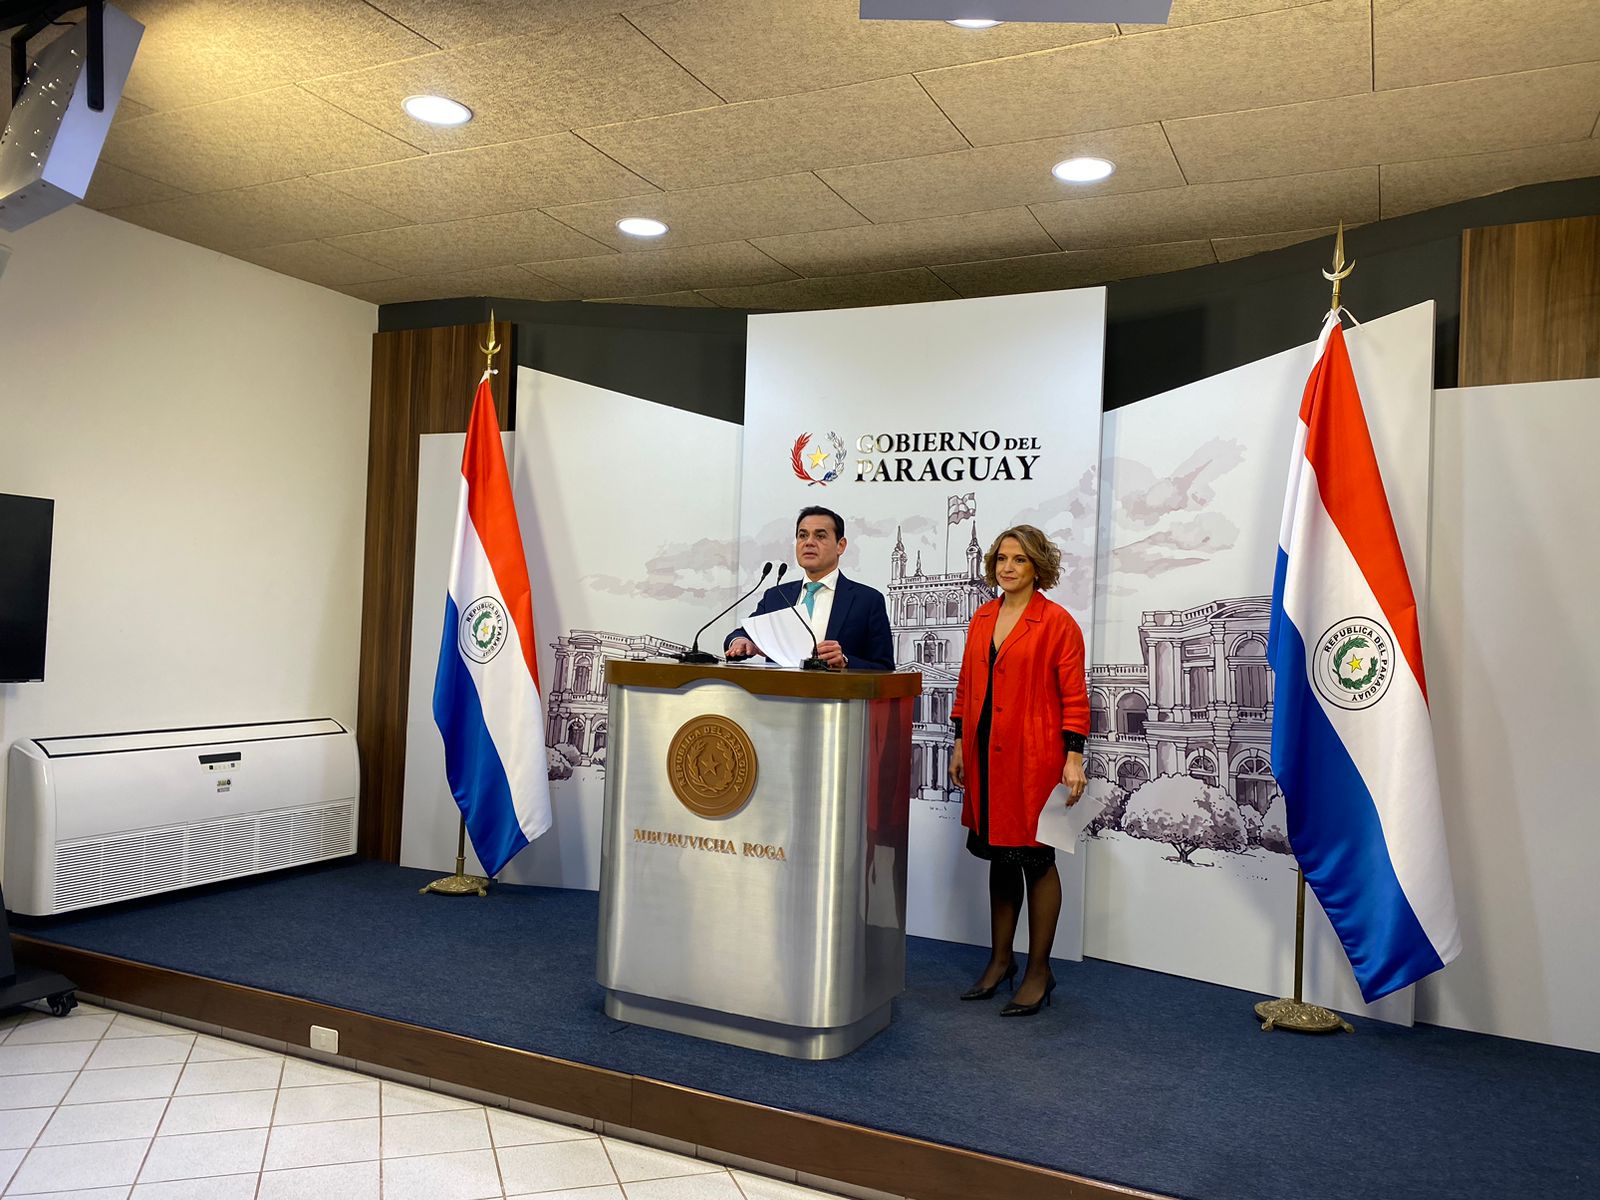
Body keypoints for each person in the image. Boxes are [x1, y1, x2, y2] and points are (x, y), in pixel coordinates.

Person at [949, 524, 1089, 1017]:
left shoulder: (1057, 622)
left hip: (1035, 755)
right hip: (985, 752)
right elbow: (967, 684)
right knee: (999, 855)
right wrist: (961, 743)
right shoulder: (981, 617)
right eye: (1002, 559)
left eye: (1019, 560)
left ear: (1038, 567)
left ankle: (1038, 970)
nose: (1007, 568)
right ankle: (1000, 961)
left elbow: (1074, 694)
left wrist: (1073, 756)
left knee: (1036, 859)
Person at [725, 506, 894, 671]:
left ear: (840, 546)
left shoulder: (867, 600)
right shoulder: (776, 596)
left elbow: (884, 668)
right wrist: (740, 641)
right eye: (802, 536)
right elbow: (741, 635)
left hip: (838, 697)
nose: (809, 543)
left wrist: (845, 661)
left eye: (820, 536)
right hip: (778, 697)